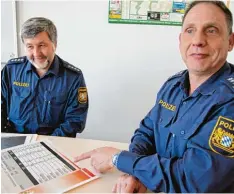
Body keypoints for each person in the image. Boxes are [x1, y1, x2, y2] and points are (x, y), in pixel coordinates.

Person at [74, 1, 234, 192]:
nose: (198, 40)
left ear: (230, 41)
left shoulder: (229, 100)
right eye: (190, 30)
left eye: (211, 30)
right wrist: (133, 173)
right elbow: (146, 133)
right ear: (180, 39)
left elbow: (195, 178)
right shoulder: (173, 86)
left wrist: (118, 160)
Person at [1, 17, 89, 137]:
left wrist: (47, 143)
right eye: (30, 46)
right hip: (15, 138)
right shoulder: (12, 69)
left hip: (54, 142)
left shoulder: (73, 77)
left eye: (42, 45)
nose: (36, 54)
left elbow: (75, 120)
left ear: (54, 44)